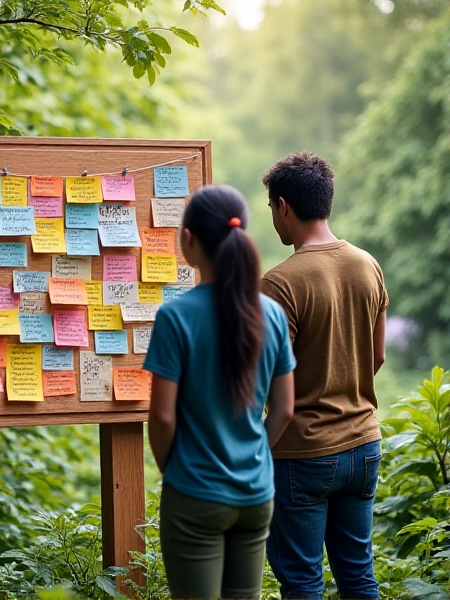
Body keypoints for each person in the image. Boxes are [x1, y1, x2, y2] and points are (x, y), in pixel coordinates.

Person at [144, 184, 296, 599]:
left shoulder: (175, 316)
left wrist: (173, 469)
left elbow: (161, 417)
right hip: (256, 494)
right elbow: (284, 409)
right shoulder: (272, 315)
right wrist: (256, 455)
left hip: (194, 494)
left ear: (188, 240)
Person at [261, 152, 388, 600]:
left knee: (301, 581)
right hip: (364, 444)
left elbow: (269, 383)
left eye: (271, 211)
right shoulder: (366, 265)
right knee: (358, 576)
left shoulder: (279, 284)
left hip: (303, 453)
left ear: (283, 207)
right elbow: (376, 357)